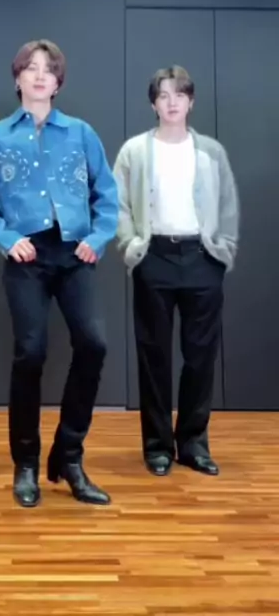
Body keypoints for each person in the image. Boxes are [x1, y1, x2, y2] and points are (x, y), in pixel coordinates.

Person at [0, 39, 118, 508]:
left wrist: (98, 238)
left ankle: (69, 457)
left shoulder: (80, 133)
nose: (39, 75)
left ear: (58, 82)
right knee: (30, 352)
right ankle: (26, 463)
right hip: (26, 256)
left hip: (74, 252)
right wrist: (5, 237)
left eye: (48, 69)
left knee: (93, 344)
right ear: (18, 78)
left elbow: (107, 192)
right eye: (30, 68)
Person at [113, 65, 239, 477]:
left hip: (202, 258)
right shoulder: (134, 151)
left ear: (190, 102)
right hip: (154, 257)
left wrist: (223, 251)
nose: (172, 102)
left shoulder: (211, 152)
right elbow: (118, 204)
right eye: (164, 95)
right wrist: (132, 247)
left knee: (201, 356)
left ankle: (193, 444)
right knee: (154, 355)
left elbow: (227, 204)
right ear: (154, 103)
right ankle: (157, 446)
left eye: (179, 95)